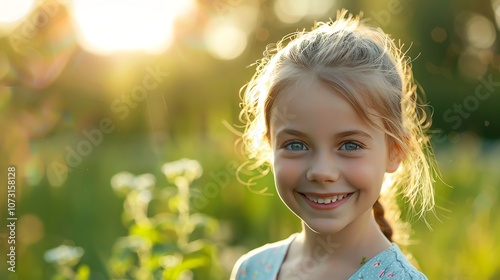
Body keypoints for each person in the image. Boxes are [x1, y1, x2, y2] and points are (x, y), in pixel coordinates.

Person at [230, 10, 438, 280]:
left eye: (350, 145)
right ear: (269, 146)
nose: (322, 171)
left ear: (395, 151)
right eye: (295, 145)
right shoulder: (252, 271)